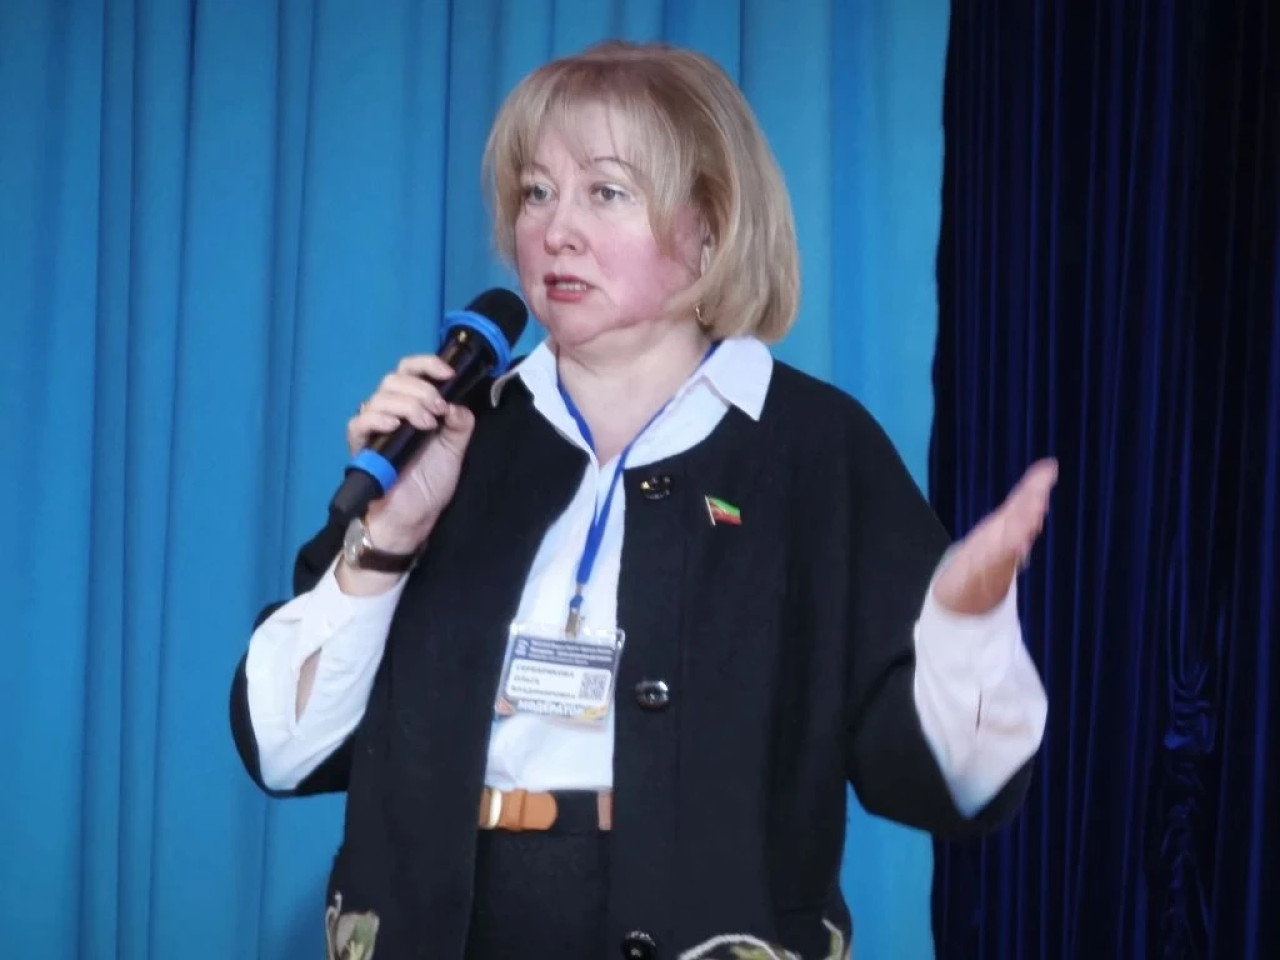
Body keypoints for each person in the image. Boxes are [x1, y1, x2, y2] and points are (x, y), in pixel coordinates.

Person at [229, 39, 1055, 960]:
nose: (556, 231)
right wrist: (387, 538)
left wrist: (963, 625)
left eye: (606, 192)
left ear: (711, 228)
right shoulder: (458, 434)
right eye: (537, 193)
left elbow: (939, 782)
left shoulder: (814, 449)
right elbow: (282, 749)